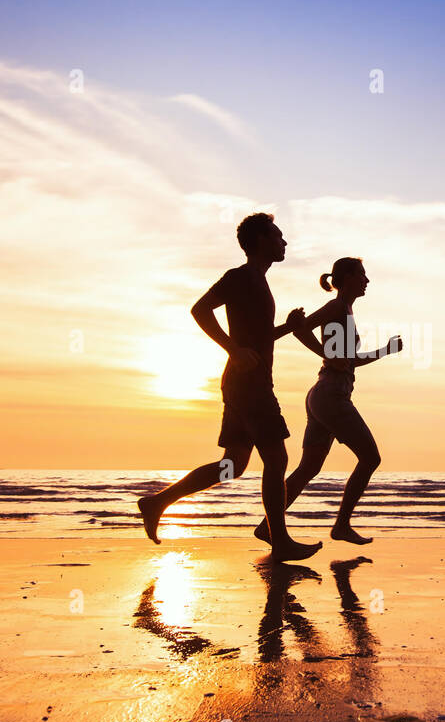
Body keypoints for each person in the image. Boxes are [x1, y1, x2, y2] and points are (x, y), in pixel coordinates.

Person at [138, 213, 322, 561]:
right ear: (259, 241)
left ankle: (157, 502)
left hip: (244, 384)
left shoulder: (259, 282)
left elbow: (259, 338)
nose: (284, 243)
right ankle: (279, 539)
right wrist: (231, 348)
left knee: (233, 465)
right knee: (277, 457)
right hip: (249, 386)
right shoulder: (240, 277)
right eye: (278, 236)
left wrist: (289, 326)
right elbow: (200, 309)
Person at [254, 257, 401, 546]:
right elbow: (300, 328)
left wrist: (381, 351)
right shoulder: (336, 307)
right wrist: (327, 353)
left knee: (309, 468)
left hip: (324, 395)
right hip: (330, 397)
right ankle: (342, 525)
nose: (366, 280)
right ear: (346, 277)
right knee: (371, 458)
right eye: (362, 275)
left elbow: (347, 361)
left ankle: (266, 527)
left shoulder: (345, 310)